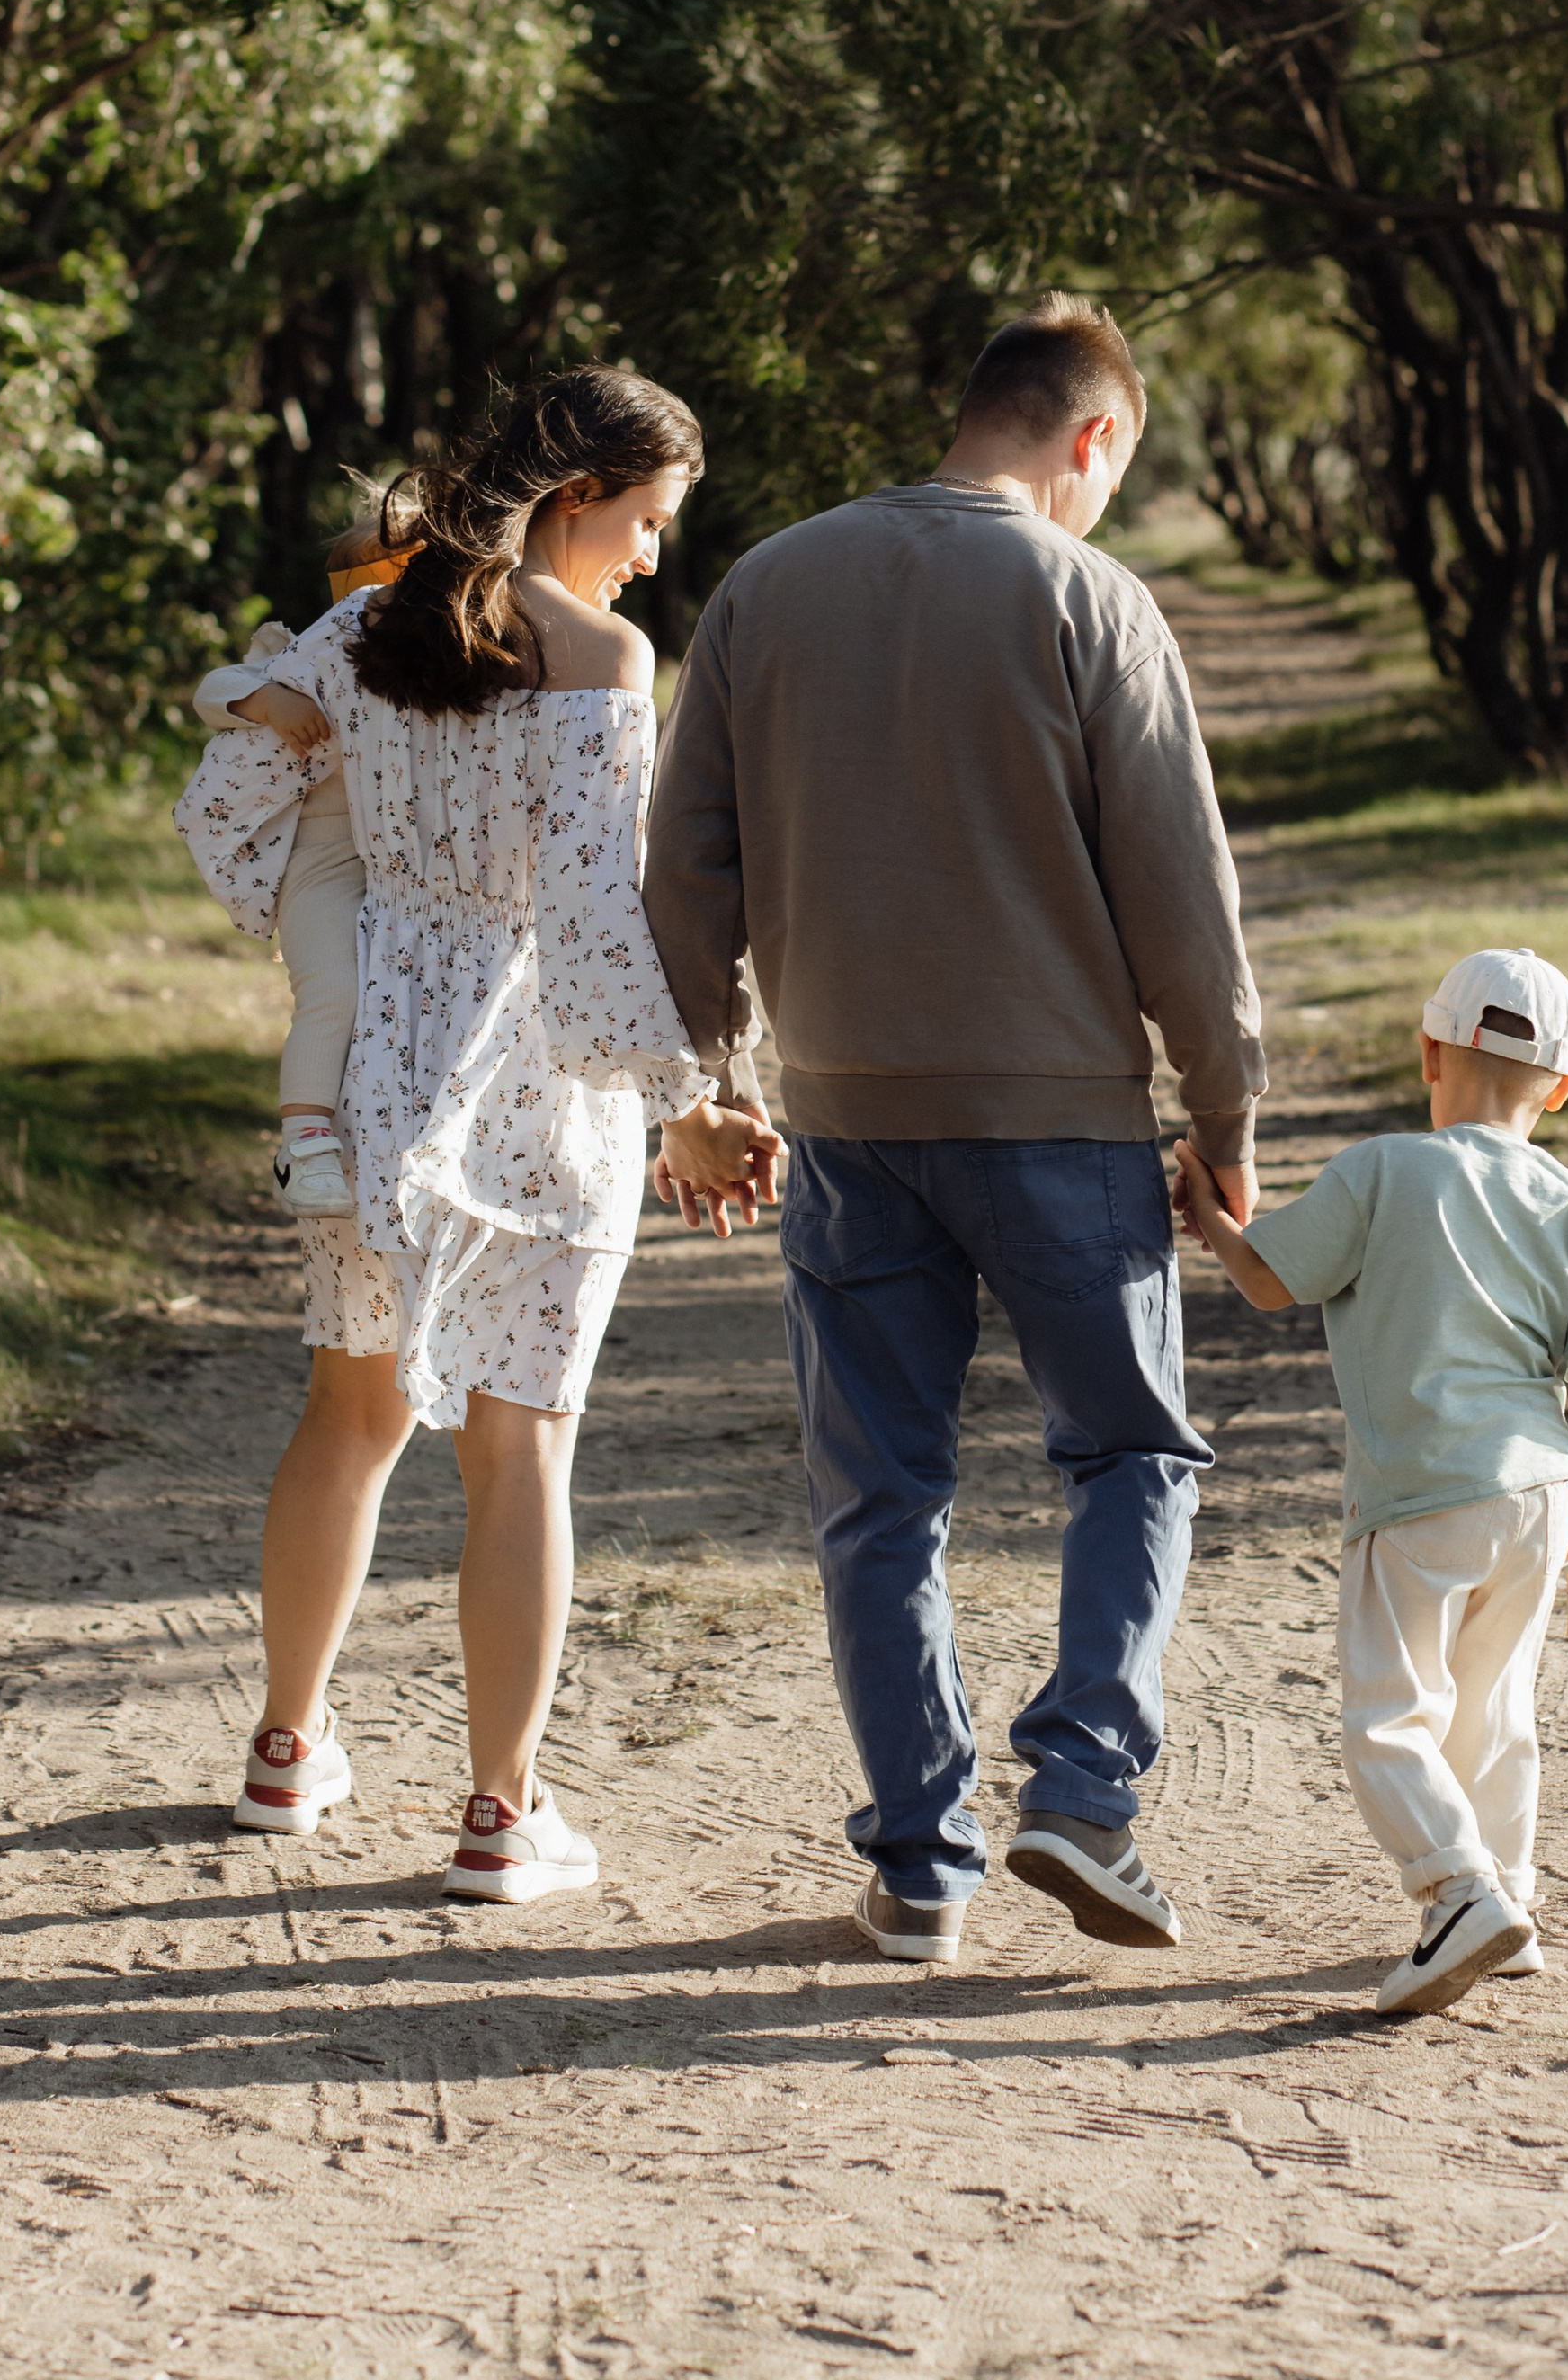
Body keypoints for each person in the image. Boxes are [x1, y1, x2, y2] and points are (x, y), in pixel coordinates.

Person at [646, 295, 1265, 1967]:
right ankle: (1078, 1787)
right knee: (1131, 1454)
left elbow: (685, 869)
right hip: (1061, 1123)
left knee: (880, 1498)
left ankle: (922, 1866)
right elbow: (1182, 898)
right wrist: (1223, 1111)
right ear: (1096, 438)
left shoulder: (766, 586)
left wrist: (713, 1081)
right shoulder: (1091, 598)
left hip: (846, 1124)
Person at [191, 372, 776, 1900]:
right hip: (534, 1090)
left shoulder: (364, 624)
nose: (652, 556)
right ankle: (501, 1818)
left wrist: (329, 926)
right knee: (521, 1450)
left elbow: (223, 802)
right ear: (579, 499)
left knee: (351, 1413)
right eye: (647, 521)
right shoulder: (597, 659)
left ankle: (284, 1752)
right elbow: (588, 922)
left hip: (372, 1064)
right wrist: (686, 1109)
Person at [1174, 946, 1568, 2019]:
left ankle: (1459, 1893)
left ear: (1429, 1050)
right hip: (1539, 1490)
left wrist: (1210, 1213)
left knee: (1388, 1716)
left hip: (1419, 1491)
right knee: (1495, 1707)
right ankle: (1506, 1903)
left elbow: (1270, 1282)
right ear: (1559, 1089)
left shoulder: (1379, 1171)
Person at [175, 504, 422, 1220]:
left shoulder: (430, 673)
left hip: (400, 869)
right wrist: (266, 701)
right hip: (320, 865)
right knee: (335, 991)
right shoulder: (304, 663)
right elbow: (210, 691)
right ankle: (306, 1144)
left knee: (396, 1000)